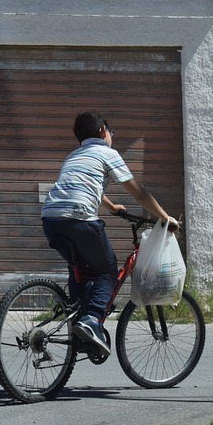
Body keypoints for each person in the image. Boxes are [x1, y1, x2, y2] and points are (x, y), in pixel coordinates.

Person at [40, 111, 178, 359]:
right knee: (107, 271)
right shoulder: (107, 153)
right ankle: (92, 320)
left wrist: (112, 207)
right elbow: (139, 193)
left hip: (51, 219)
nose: (112, 136)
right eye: (110, 132)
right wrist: (165, 217)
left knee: (79, 269)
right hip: (79, 219)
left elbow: (82, 185)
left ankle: (78, 323)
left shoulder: (74, 156)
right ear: (103, 130)